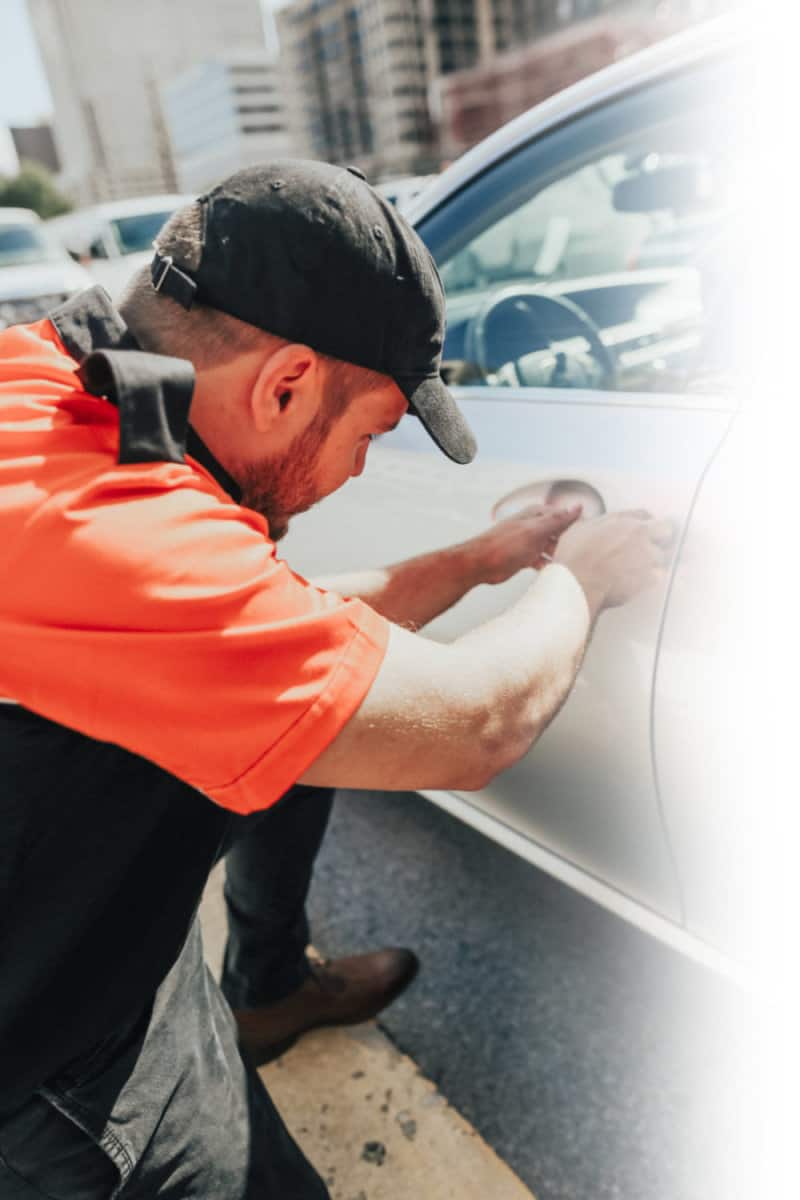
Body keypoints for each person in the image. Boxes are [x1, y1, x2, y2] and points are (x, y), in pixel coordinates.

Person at [0, 161, 669, 1199]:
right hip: (57, 1059)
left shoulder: (54, 390)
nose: (360, 470)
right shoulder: (106, 535)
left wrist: (475, 562)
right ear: (284, 384)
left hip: (103, 934)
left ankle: (262, 993)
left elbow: (255, 634)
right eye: (371, 435)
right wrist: (582, 583)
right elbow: (475, 726)